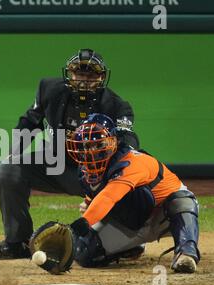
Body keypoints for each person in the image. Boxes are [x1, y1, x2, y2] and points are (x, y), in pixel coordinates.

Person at [0, 49, 140, 260]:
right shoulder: (49, 90)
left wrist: (118, 175)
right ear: (70, 74)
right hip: (54, 163)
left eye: (91, 75)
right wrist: (13, 152)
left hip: (94, 173)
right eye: (79, 74)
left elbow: (128, 141)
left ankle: (122, 240)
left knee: (124, 182)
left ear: (102, 78)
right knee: (9, 170)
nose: (84, 80)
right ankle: (17, 242)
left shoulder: (116, 106)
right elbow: (29, 123)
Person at [66, 113, 200, 273]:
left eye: (97, 144)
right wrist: (89, 206)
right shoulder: (85, 172)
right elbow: (98, 199)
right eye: (86, 146)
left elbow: (109, 196)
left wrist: (77, 227)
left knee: (181, 201)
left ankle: (186, 253)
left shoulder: (133, 162)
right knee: (84, 251)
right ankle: (132, 247)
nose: (91, 151)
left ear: (113, 142)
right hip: (130, 224)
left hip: (163, 216)